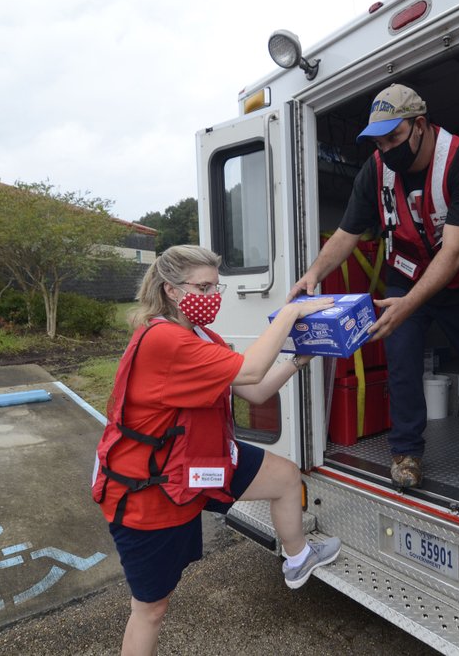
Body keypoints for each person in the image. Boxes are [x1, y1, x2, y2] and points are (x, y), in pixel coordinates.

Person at [288, 84, 459, 490]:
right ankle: (406, 451)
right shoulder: (375, 169)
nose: (386, 149)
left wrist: (410, 304)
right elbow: (346, 233)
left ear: (420, 125)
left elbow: (456, 249)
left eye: (394, 137)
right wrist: (313, 274)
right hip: (405, 275)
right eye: (378, 142)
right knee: (402, 359)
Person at [93, 245, 341, 656]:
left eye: (215, 287)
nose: (212, 296)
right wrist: (292, 313)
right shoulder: (164, 340)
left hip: (194, 460)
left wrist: (299, 360)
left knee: (284, 476)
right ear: (172, 290)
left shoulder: (201, 336)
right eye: (203, 288)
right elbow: (251, 369)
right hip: (147, 490)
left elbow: (254, 390)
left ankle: (298, 558)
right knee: (151, 609)